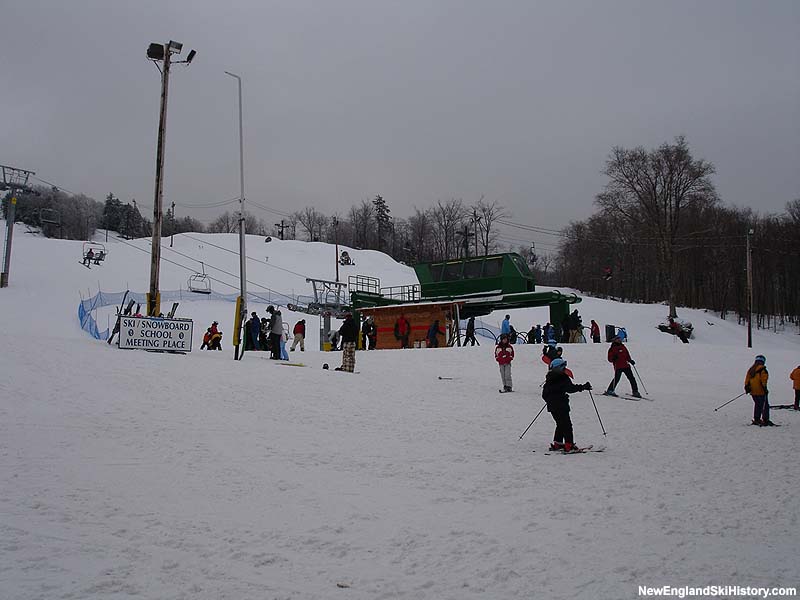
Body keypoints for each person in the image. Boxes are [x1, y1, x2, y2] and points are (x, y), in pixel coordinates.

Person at [542, 357, 592, 453]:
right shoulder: (563, 378)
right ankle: (569, 445)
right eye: (563, 367)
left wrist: (550, 400)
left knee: (560, 424)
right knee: (567, 425)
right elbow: (570, 388)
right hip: (561, 405)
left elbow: (544, 394)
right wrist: (584, 387)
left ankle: (558, 443)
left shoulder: (549, 378)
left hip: (552, 406)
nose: (565, 369)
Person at [745, 355, 773, 426]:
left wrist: (747, 387)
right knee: (765, 405)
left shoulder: (751, 369)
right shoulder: (763, 370)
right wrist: (765, 389)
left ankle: (757, 419)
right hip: (761, 391)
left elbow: (747, 380)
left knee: (757, 405)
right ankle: (765, 420)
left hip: (753, 391)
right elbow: (764, 380)